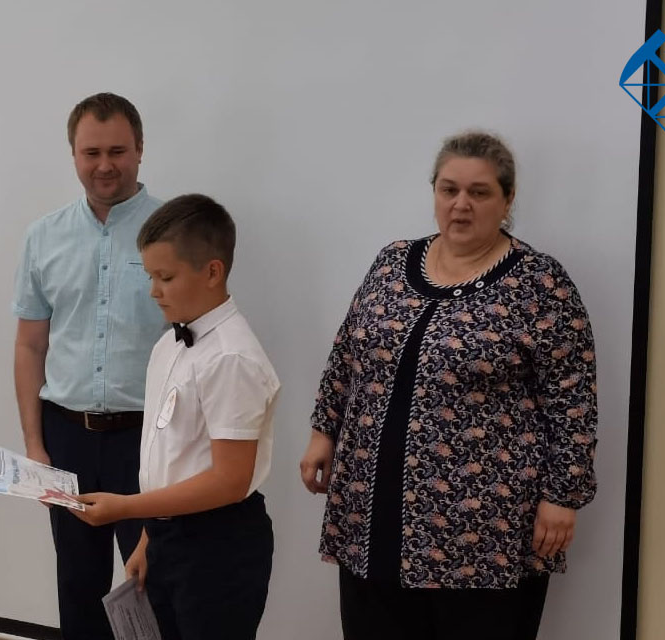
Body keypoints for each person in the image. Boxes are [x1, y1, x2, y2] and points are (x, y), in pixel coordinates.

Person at [300, 131, 599, 640]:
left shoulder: (540, 283)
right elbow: (347, 352)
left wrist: (562, 496)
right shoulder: (392, 262)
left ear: (507, 199)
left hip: (483, 530)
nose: (461, 204)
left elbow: (573, 399)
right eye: (449, 189)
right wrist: (322, 433)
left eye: (479, 192)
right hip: (371, 511)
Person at [73, 194, 280, 640]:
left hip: (217, 545)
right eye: (150, 276)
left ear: (212, 272)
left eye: (165, 277)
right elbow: (171, 456)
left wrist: (125, 508)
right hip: (169, 536)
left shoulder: (230, 358)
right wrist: (148, 539)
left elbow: (230, 480)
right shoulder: (169, 344)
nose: (154, 291)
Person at [11, 92, 168, 640]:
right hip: (66, 437)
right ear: (73, 154)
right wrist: (35, 446)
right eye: (91, 152)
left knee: (154, 585)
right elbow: (30, 347)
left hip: (148, 439)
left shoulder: (172, 233)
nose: (105, 165)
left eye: (117, 151)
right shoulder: (43, 236)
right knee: (78, 590)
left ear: (140, 149)